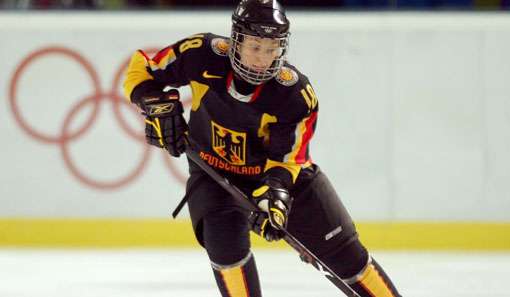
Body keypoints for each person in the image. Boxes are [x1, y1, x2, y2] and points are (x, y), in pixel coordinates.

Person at [123, 0, 402, 296]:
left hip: (281, 179)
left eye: (271, 50)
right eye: (255, 47)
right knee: (226, 251)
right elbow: (142, 68)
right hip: (213, 173)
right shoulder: (199, 54)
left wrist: (274, 201)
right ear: (236, 40)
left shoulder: (294, 95)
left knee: (347, 257)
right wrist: (157, 105)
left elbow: (288, 161)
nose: (262, 59)